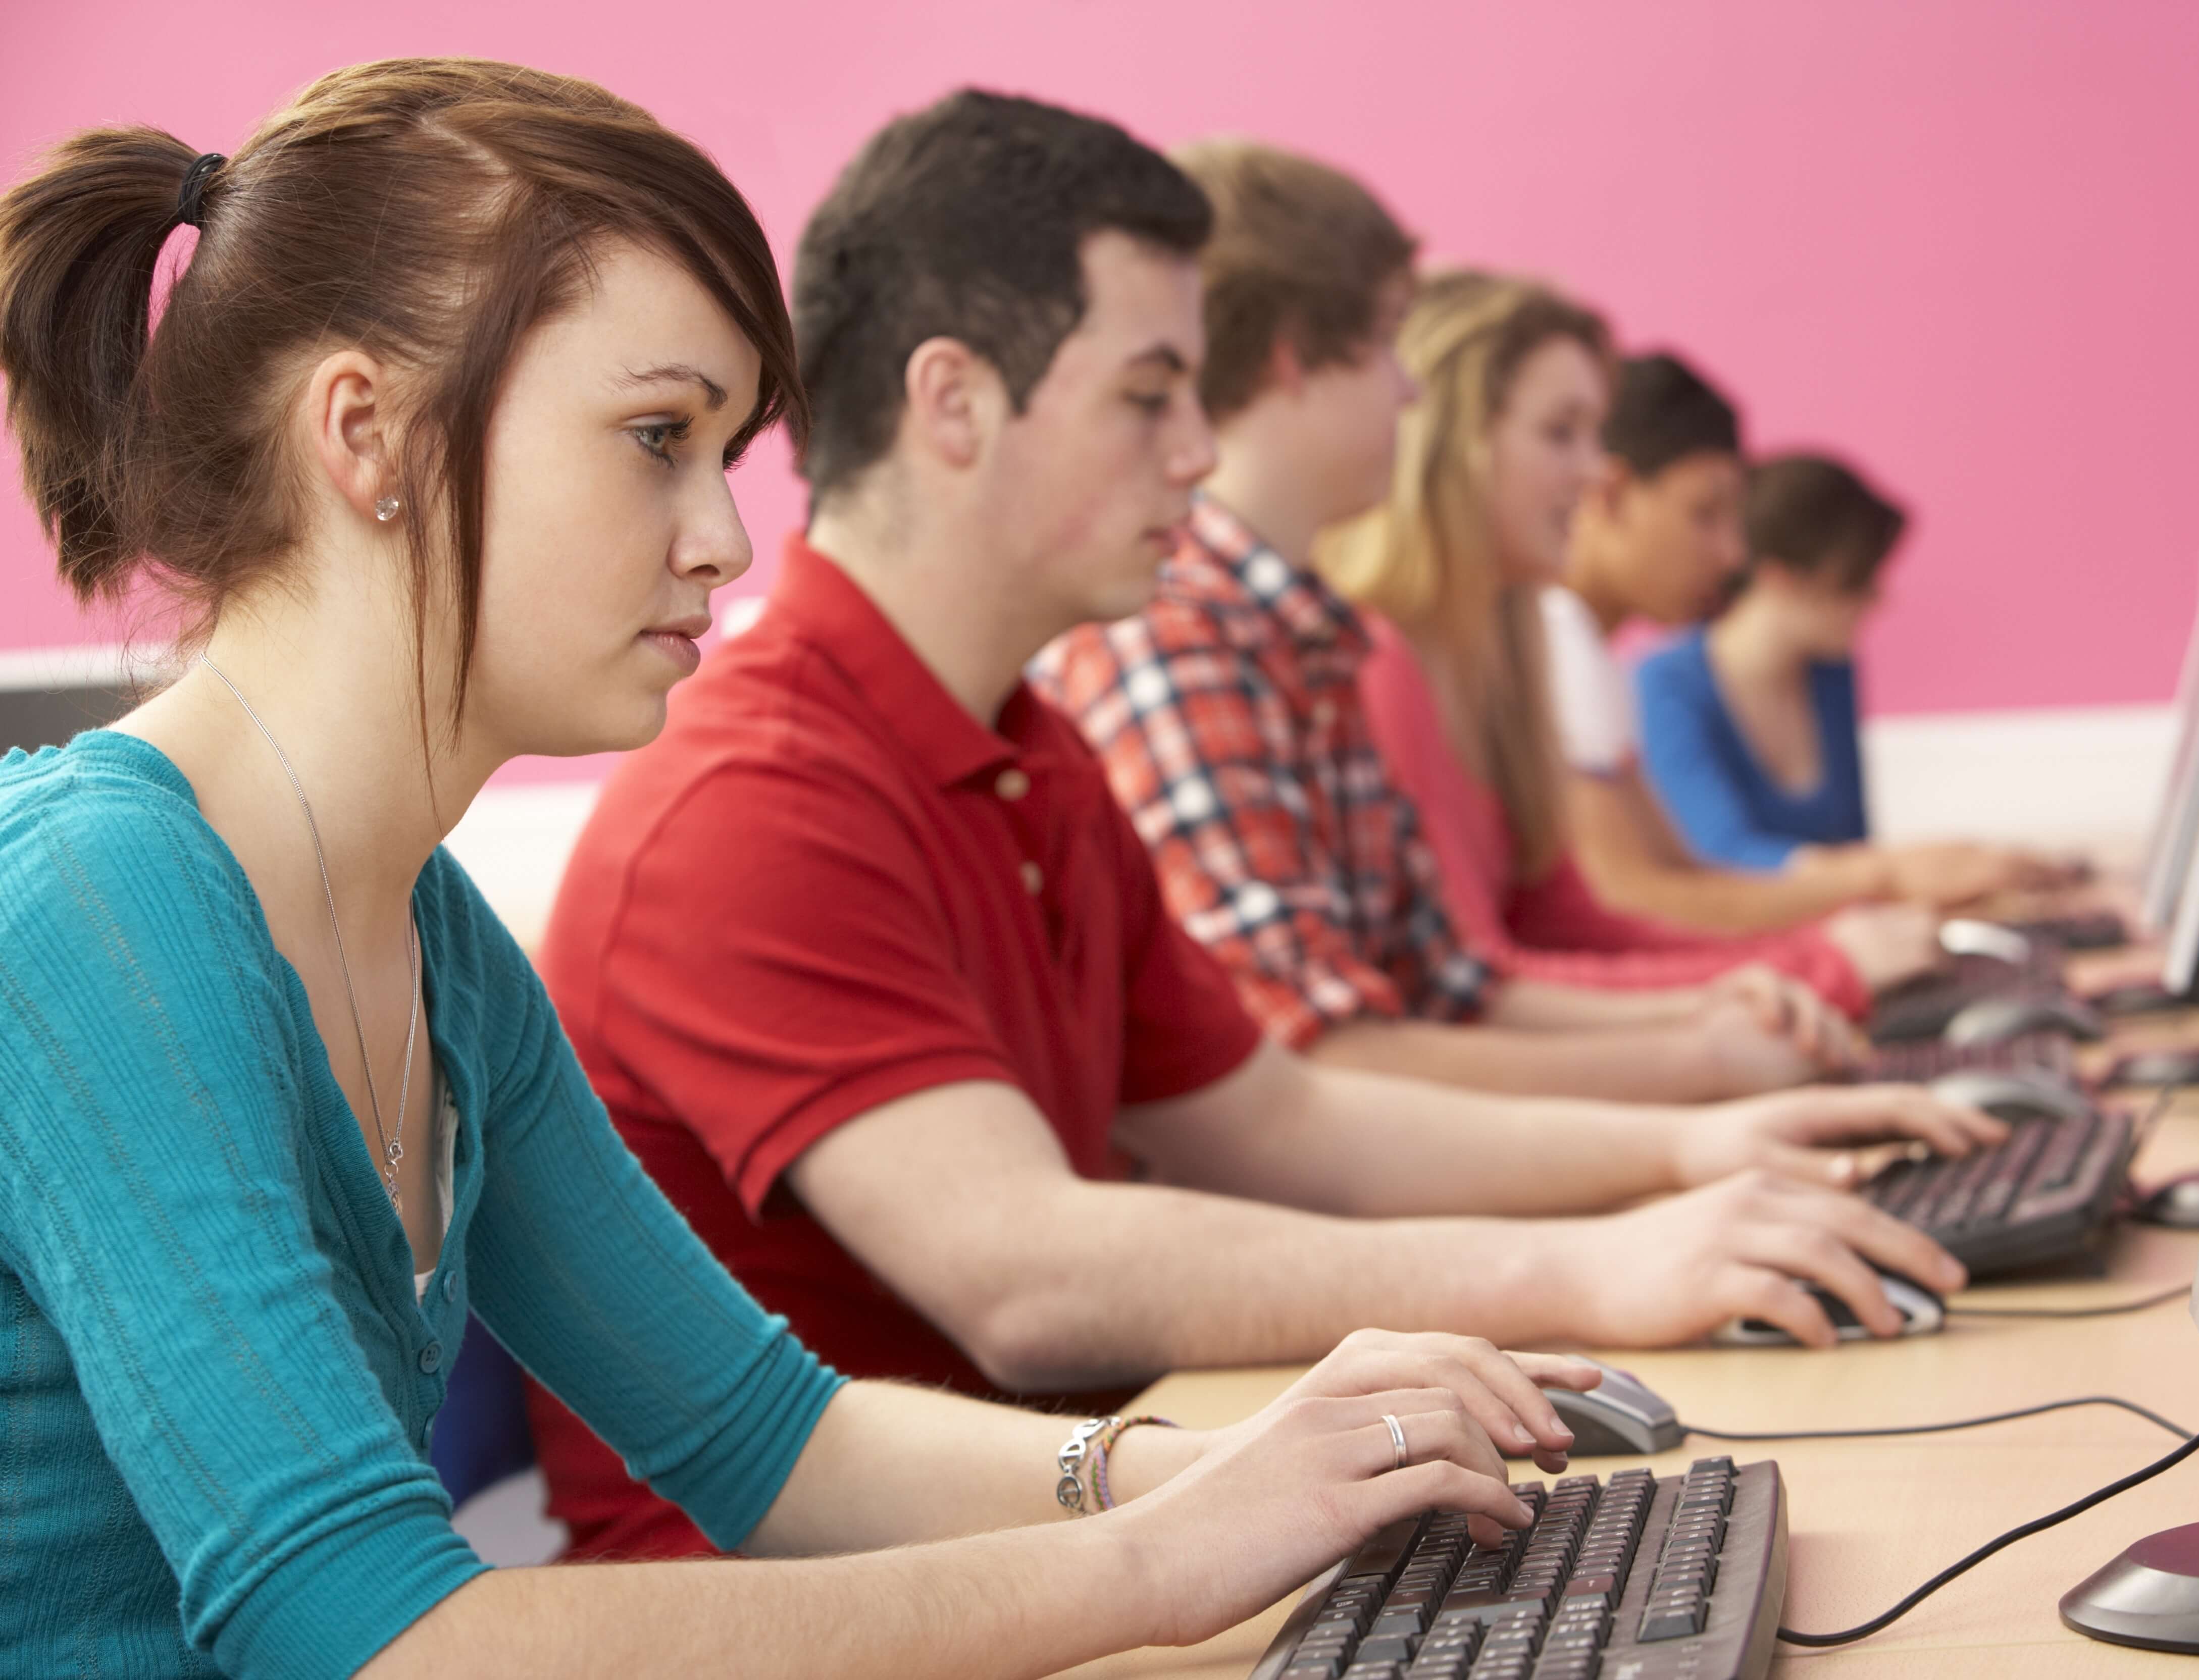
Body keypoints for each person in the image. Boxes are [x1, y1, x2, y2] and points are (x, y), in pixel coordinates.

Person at [0, 62, 1632, 1680]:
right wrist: (1151, 1560)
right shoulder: (96, 904)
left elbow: (769, 1431)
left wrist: (1236, 1470)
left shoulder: (429, 931)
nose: (723, 536)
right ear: (369, 434)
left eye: (722, 450)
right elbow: (383, 1633)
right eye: (657, 436)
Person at [523, 100, 1993, 1562]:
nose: (1199, 450)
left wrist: (1691, 1150)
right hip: (844, 1603)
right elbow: (1025, 1273)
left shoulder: (1030, 752)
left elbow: (1285, 1122)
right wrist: (1592, 1266)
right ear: (953, 401)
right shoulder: (752, 798)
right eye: (1150, 394)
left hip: (1063, 1532)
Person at [1040, 142, 1898, 1102]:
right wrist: (1717, 1056)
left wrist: (1743, 1006)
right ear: (1294, 357)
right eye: (1384, 342)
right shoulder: (1204, 638)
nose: (1407, 390)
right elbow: (1317, 1058)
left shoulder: (1319, 638)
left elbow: (1452, 984)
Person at [1313, 275, 1942, 1011]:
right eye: (1561, 433)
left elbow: (1574, 920)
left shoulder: (1513, 652)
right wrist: (1824, 964)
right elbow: (1494, 981)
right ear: (1448, 444)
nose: (1592, 472)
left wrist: (1812, 960)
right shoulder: (1384, 662)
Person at [1549, 353, 1936, 940]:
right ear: (1612, 494)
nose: (1734, 555)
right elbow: (1633, 900)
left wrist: (1887, 891)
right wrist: (1886, 884)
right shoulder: (1572, 652)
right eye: (1704, 513)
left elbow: (1687, 879)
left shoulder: (1591, 660)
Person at [1636, 453, 2069, 906]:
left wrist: (1951, 870)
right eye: (1856, 582)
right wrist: (1900, 869)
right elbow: (1721, 856)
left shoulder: (1832, 672)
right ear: (1780, 578)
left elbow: (1856, 846)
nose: (1879, 601)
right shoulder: (1667, 686)